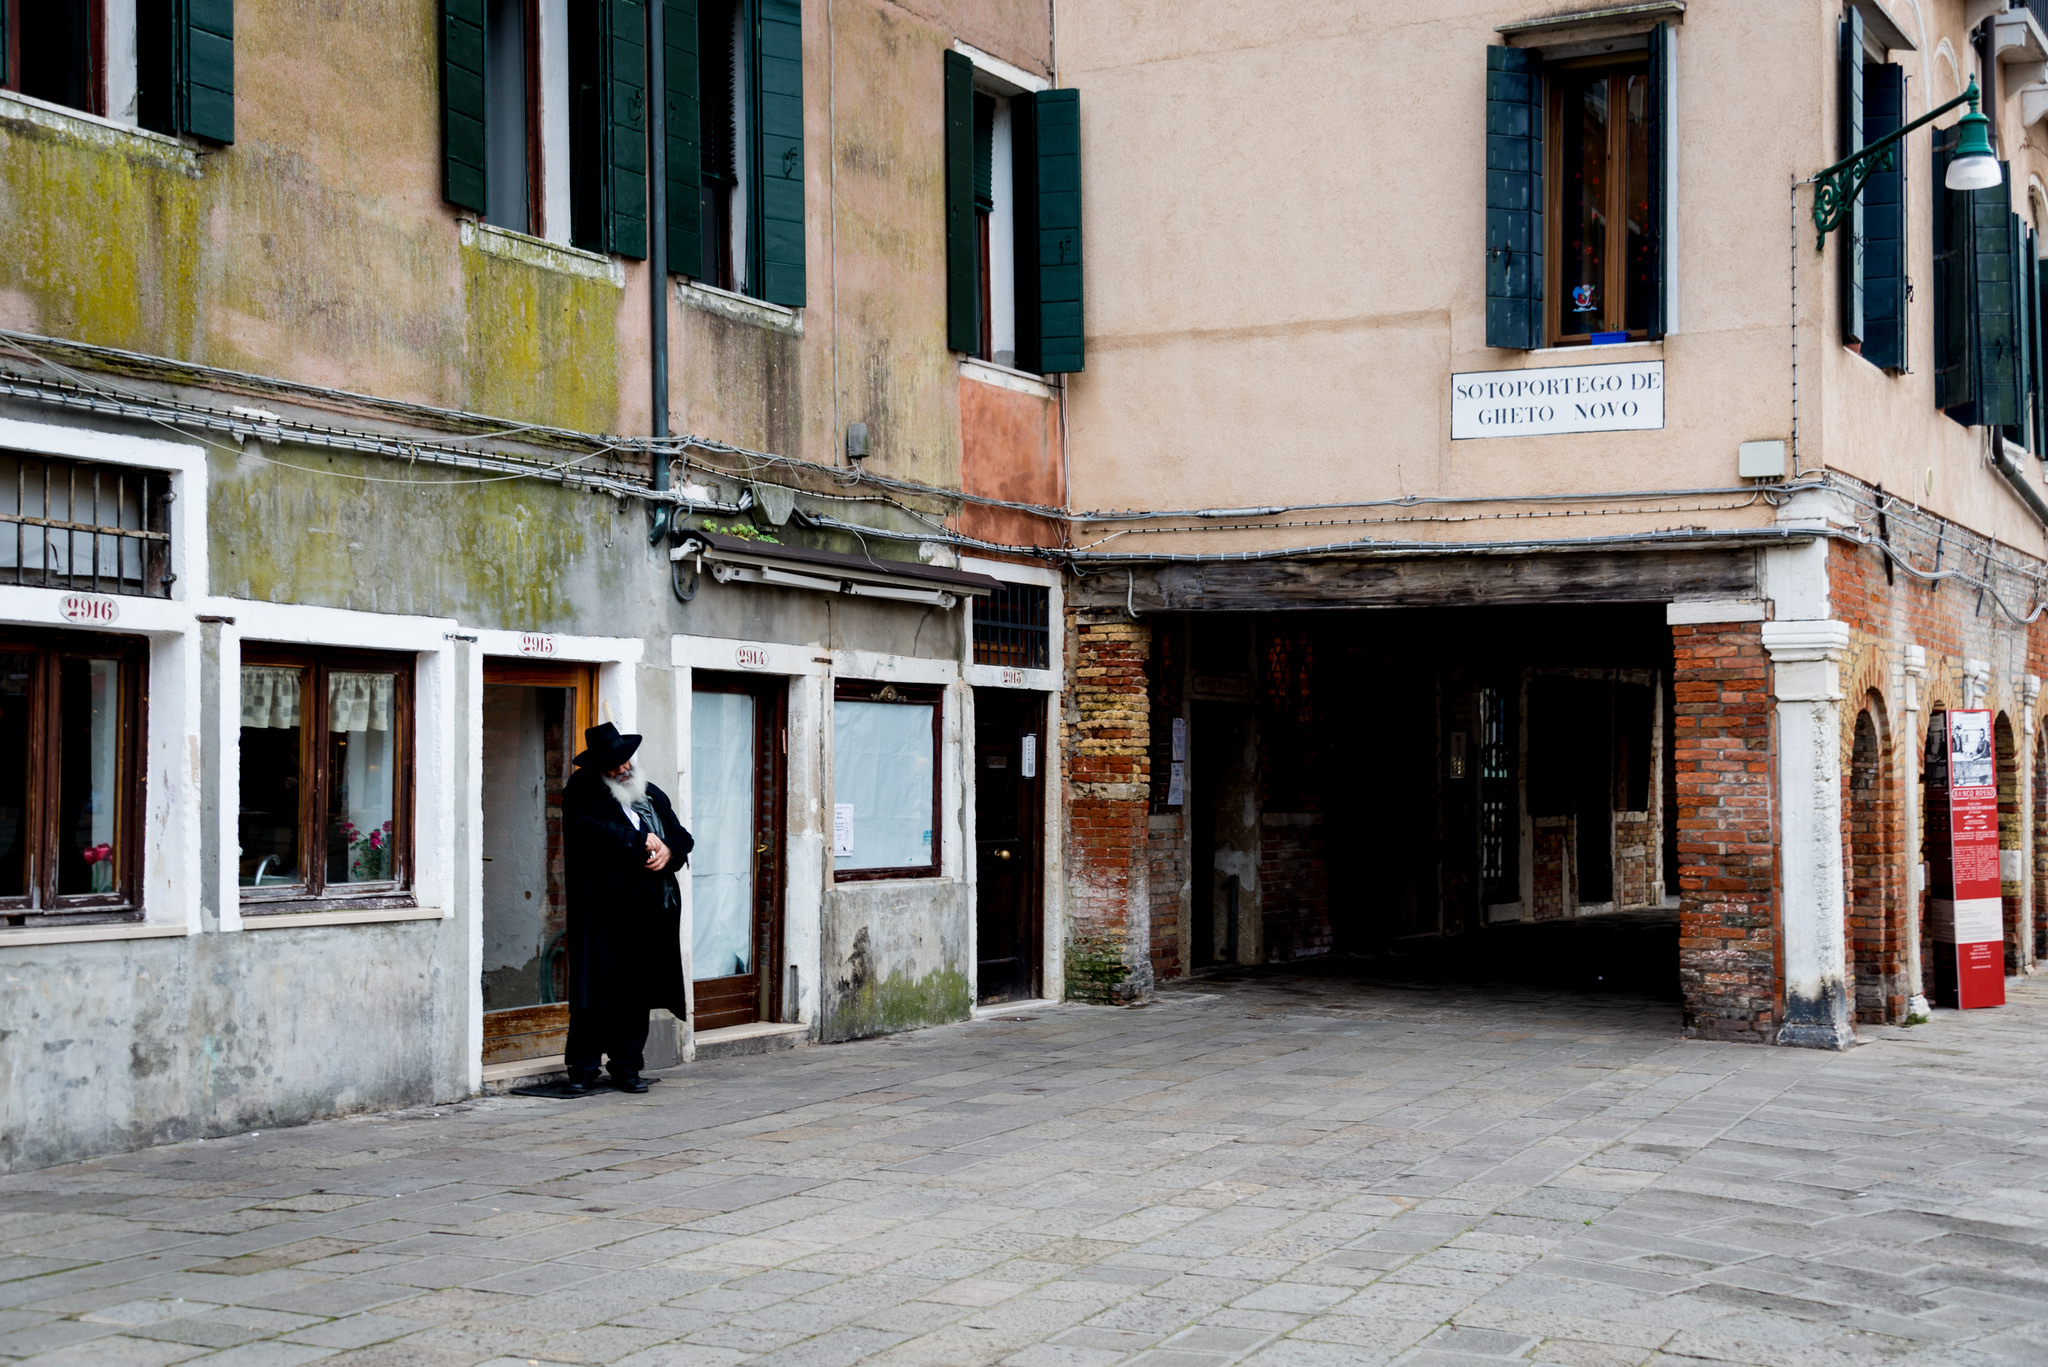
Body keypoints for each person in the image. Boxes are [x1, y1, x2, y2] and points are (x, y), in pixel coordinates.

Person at [561, 722, 693, 1094]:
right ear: (599, 768)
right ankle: (583, 1068)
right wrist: (640, 840)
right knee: (596, 991)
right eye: (614, 764)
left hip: (648, 911)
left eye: (626, 761)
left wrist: (668, 851)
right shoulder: (582, 790)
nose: (623, 768)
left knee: (636, 991)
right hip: (602, 911)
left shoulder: (649, 793)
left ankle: (627, 1066)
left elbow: (682, 837)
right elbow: (587, 831)